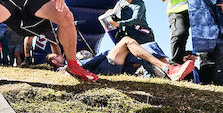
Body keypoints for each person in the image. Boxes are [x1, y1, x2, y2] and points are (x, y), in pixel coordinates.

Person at [46, 36, 195, 81]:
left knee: (149, 45)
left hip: (113, 65)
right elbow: (86, 65)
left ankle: (171, 72)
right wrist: (104, 53)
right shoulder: (66, 67)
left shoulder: (71, 62)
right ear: (54, 61)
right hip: (104, 67)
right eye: (56, 56)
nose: (59, 55)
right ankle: (168, 69)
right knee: (126, 40)